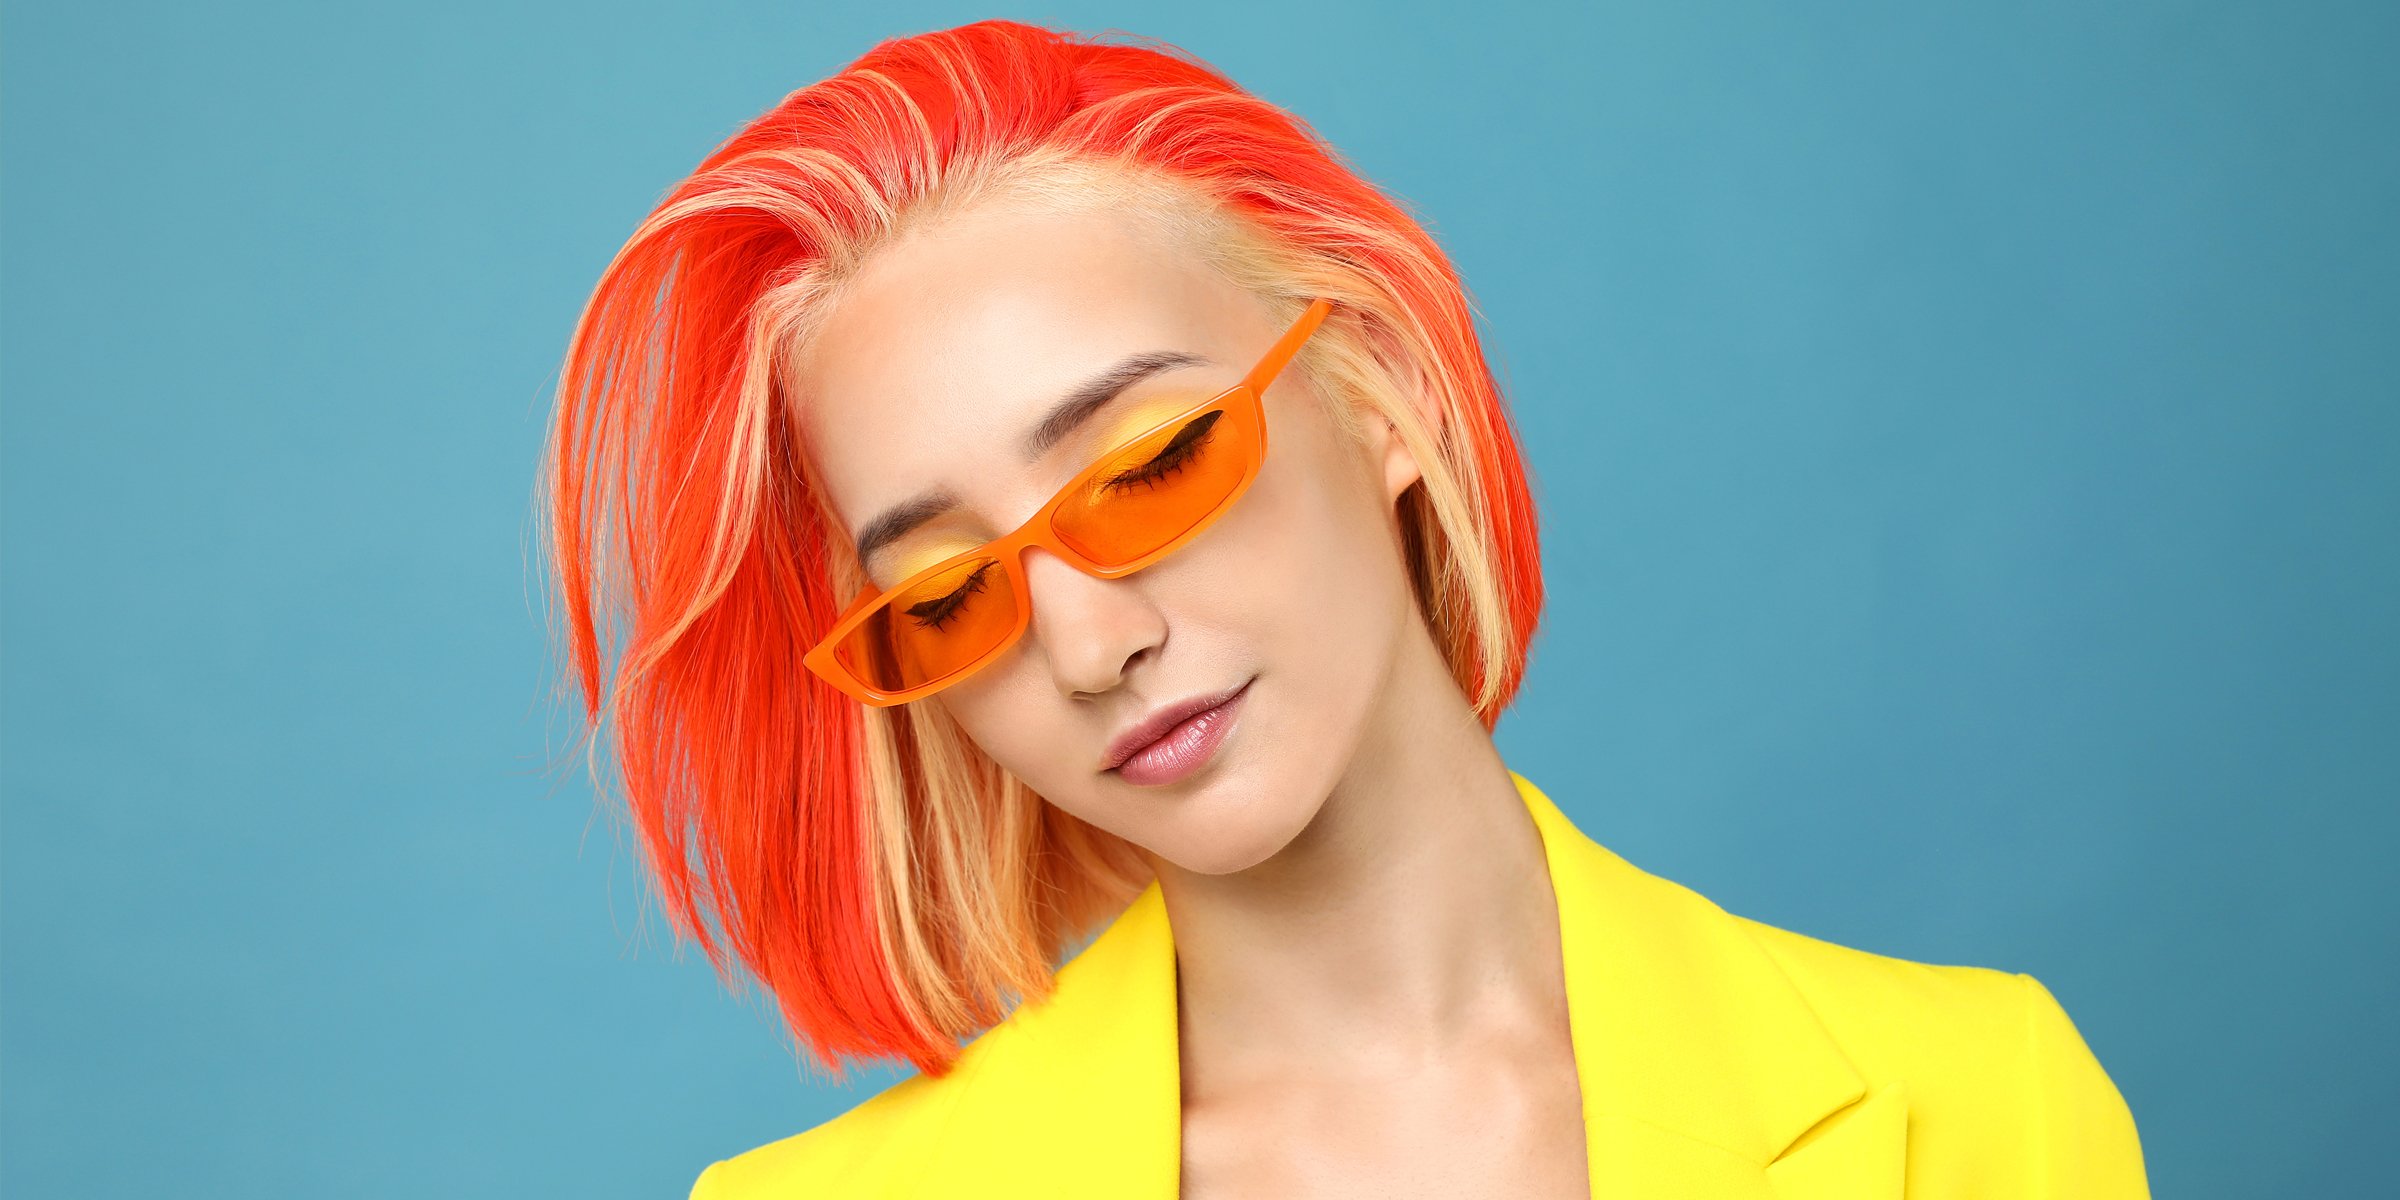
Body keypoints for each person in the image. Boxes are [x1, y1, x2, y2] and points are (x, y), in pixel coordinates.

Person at [538, 18, 2151, 1198]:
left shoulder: (1978, 1109)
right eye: (951, 593)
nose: (1092, 647)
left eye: (1152, 461)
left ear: (1374, 390)